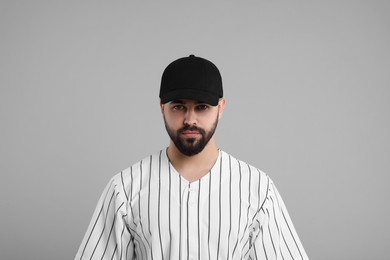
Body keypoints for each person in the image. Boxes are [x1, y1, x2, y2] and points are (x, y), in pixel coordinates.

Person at [75, 55, 309, 260]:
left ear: (221, 107)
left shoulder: (257, 189)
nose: (190, 119)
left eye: (202, 107)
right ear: (162, 108)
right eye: (178, 107)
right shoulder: (125, 189)